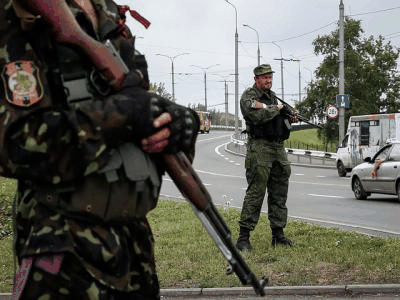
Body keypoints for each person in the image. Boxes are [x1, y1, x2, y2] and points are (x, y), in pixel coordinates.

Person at [0, 0, 199, 299]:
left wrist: (179, 122)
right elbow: (16, 146)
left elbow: (136, 103)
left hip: (135, 249)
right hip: (61, 252)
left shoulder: (110, 15)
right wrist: (123, 115)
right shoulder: (21, 13)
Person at [236, 64, 298, 251]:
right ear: (256, 79)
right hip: (259, 147)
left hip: (278, 147)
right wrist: (277, 109)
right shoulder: (249, 97)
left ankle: (278, 235)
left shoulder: (273, 98)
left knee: (279, 191)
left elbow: (280, 114)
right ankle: (243, 238)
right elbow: (257, 117)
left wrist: (289, 116)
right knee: (256, 192)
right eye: (264, 77)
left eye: (270, 77)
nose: (268, 80)